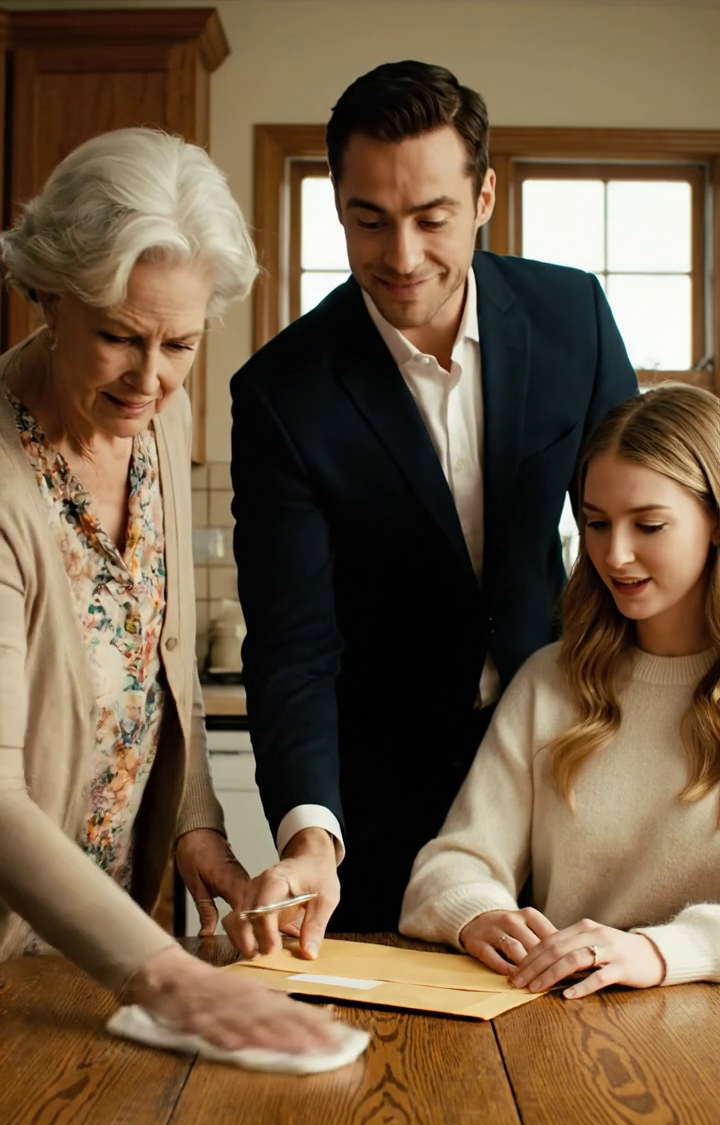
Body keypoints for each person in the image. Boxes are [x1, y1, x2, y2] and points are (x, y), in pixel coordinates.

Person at [229, 60, 638, 960]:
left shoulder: (573, 315)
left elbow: (641, 516)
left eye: (431, 218)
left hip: (571, 767)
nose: (402, 256)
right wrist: (308, 836)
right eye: (368, 220)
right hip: (381, 800)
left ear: (485, 194)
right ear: (337, 203)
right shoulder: (282, 393)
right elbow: (293, 645)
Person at [0, 127, 342, 1056]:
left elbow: (164, 664)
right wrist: (171, 977)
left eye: (179, 343)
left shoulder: (159, 417)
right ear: (47, 294)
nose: (149, 378)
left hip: (124, 946)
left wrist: (199, 833)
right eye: (117, 336)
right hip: (19, 962)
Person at [400, 384, 720, 995]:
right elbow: (453, 862)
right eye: (596, 524)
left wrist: (658, 951)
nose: (615, 554)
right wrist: (477, 914)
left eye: (648, 525)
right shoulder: (551, 680)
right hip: (560, 1030)